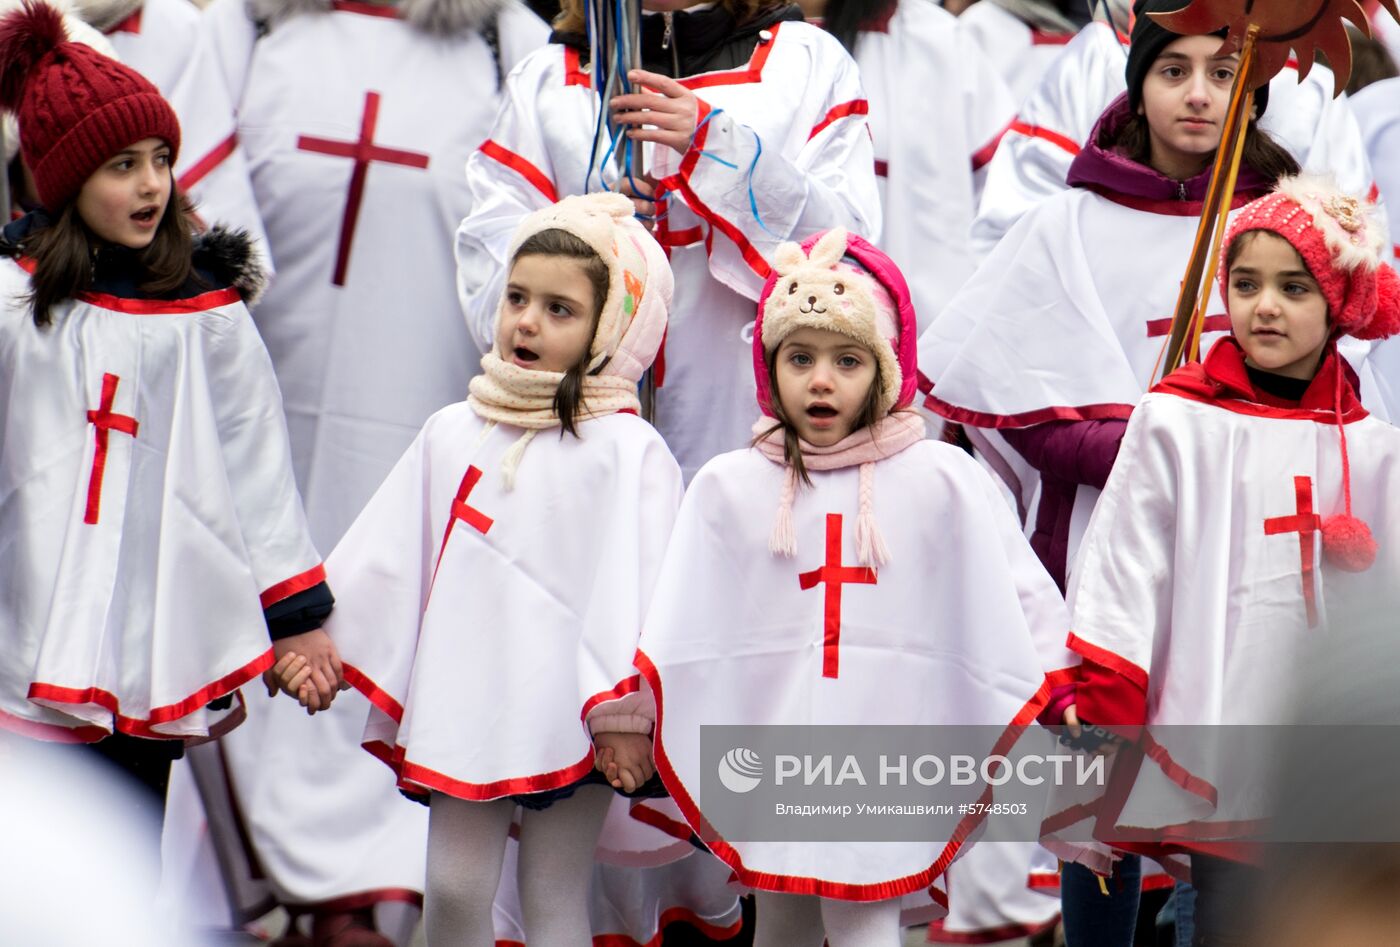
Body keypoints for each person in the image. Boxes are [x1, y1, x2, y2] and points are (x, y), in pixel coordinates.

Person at [159, 1, 550, 940]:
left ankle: (384, 891)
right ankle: (263, 888)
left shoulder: (510, 48)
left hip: (429, 431)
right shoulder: (242, 34)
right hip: (264, 412)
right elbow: (180, 202)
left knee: (399, 625)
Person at [634, 227, 1076, 947]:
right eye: (800, 357)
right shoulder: (733, 485)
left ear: (887, 367)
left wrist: (1061, 684)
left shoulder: (941, 478)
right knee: (779, 919)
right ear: (767, 362)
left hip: (887, 744)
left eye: (847, 360)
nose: (820, 381)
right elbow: (686, 619)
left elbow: (1014, 588)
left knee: (863, 916)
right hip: (776, 737)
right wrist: (638, 707)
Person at [283, 193, 686, 946]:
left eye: (560, 309)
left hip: (577, 710)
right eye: (517, 298)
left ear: (613, 327)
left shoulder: (628, 452)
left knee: (554, 895)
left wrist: (627, 718)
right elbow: (389, 552)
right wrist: (317, 642)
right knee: (456, 890)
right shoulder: (454, 429)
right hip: (464, 698)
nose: (526, 321)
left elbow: (649, 595)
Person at [1060, 174, 1400, 947]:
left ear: (1340, 302)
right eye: (1245, 284)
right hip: (1221, 730)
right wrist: (1108, 698)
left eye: (1293, 286)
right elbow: (1125, 566)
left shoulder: (1377, 449)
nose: (1265, 306)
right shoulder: (1178, 422)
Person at [0, 0, 333, 783]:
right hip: (30, 612)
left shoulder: (205, 313)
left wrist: (297, 619)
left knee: (127, 850)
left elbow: (258, 466)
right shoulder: (15, 301)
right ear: (68, 181)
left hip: (154, 633)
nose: (153, 184)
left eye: (161, 159)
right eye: (122, 167)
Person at [456, 0, 880, 484]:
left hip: (743, 419)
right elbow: (489, 259)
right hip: (576, 434)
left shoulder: (807, 63)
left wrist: (719, 152)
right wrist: (583, 232)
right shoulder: (548, 79)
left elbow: (849, 253)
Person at [971, 2, 1380, 259]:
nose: (1198, 95)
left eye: (1222, 74)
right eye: (1173, 71)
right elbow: (1013, 240)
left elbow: (1356, 259)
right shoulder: (1097, 57)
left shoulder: (1305, 87)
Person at [808, 0, 1015, 326]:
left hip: (926, 330)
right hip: (797, 329)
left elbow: (1003, 196)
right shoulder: (750, 43)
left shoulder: (941, 41)